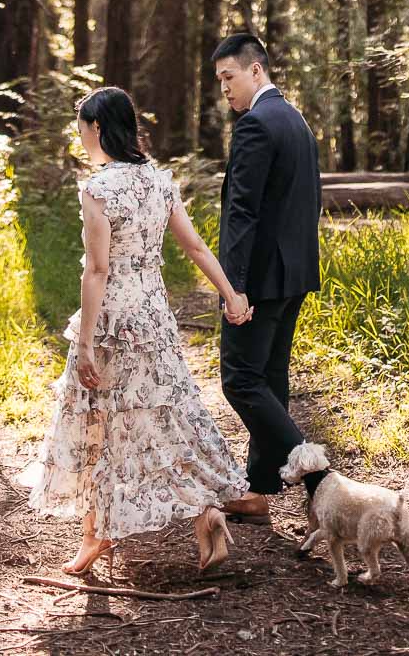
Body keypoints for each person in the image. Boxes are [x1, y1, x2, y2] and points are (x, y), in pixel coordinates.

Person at [22, 85, 252, 577]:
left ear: (98, 128)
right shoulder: (158, 181)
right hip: (154, 317)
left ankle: (96, 536)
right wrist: (231, 294)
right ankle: (207, 512)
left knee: (101, 423)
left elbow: (98, 271)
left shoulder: (98, 189)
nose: (81, 136)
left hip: (113, 321)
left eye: (82, 127)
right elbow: (194, 247)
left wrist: (84, 343)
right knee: (165, 417)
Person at [213, 31, 327, 524]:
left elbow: (242, 212)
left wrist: (232, 284)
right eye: (219, 81)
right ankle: (258, 489)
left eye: (229, 77)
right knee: (269, 378)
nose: (225, 89)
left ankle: (318, 473)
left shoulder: (256, 124)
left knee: (240, 380)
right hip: (296, 271)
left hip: (259, 278)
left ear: (255, 70)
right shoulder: (295, 119)